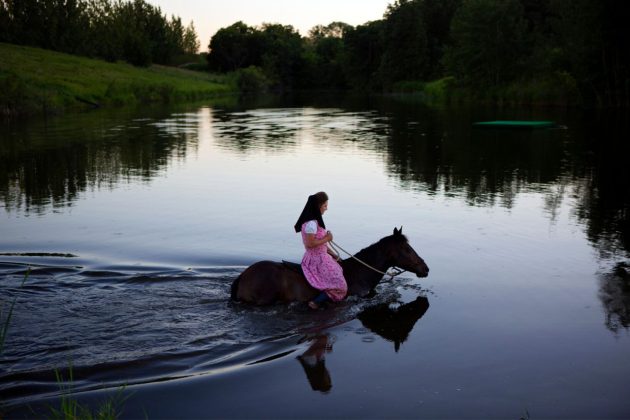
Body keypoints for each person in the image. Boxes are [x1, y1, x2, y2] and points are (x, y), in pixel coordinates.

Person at [294, 192, 347, 309]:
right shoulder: (311, 224)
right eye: (324, 206)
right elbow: (310, 243)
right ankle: (316, 302)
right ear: (318, 207)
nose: (326, 208)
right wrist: (327, 238)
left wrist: (333, 254)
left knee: (339, 268)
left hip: (321, 255)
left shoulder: (314, 221)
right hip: (316, 260)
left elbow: (320, 244)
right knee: (340, 286)